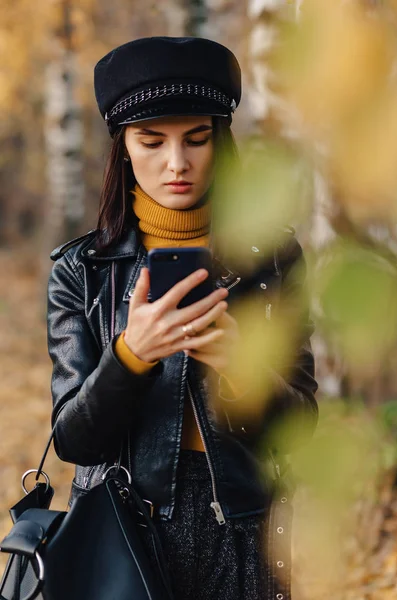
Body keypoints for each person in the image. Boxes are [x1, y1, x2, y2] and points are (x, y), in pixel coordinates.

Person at [47, 36, 318, 600]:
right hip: (122, 528)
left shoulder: (273, 260)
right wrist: (130, 356)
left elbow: (301, 425)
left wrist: (242, 370)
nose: (177, 163)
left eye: (197, 139)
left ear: (221, 142)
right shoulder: (83, 270)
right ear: (123, 147)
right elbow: (73, 438)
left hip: (245, 529)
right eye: (151, 141)